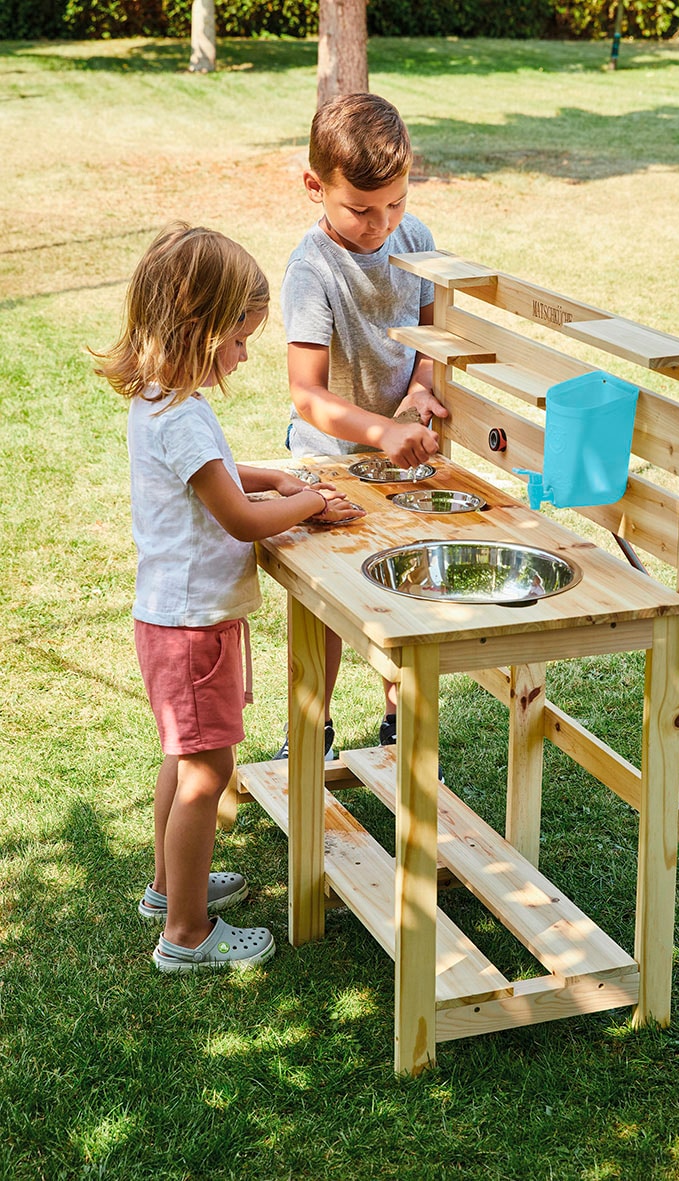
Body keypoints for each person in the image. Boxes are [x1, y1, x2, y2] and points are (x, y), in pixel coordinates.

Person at [93, 223, 364, 972]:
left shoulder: (161, 400)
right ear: (201, 328)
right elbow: (238, 519)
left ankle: (166, 886)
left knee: (183, 761)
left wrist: (273, 476)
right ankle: (185, 934)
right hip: (191, 630)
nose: (245, 356)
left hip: (175, 619)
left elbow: (213, 473)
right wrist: (306, 504)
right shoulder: (180, 414)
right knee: (208, 772)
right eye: (239, 340)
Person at [276, 91, 448, 761]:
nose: (381, 225)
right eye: (360, 209)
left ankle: (397, 724)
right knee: (327, 604)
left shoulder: (419, 240)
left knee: (402, 585)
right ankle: (310, 729)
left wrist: (422, 388)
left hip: (401, 458)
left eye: (396, 204)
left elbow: (437, 337)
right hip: (328, 461)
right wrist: (379, 431)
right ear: (316, 186)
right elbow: (307, 397)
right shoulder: (311, 270)